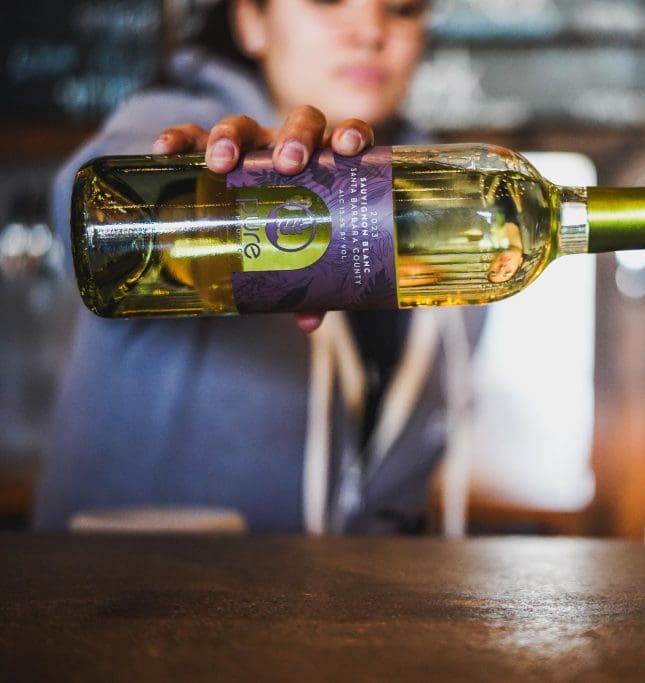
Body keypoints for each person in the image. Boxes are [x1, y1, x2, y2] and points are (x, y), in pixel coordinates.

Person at [34, 0, 483, 534]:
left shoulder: (452, 202)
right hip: (129, 602)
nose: (370, 30)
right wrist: (228, 183)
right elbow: (85, 215)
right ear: (250, 20)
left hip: (331, 612)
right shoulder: (172, 127)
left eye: (403, 9)